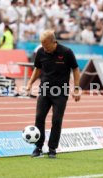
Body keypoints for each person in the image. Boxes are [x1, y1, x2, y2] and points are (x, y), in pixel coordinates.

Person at [26, 30, 81, 158]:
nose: (44, 48)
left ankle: (52, 149)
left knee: (56, 120)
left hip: (61, 92)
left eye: (46, 45)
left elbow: (75, 69)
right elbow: (37, 69)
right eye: (42, 45)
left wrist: (77, 88)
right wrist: (29, 83)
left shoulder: (66, 52)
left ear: (53, 41)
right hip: (44, 90)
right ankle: (38, 147)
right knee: (39, 118)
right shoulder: (40, 52)